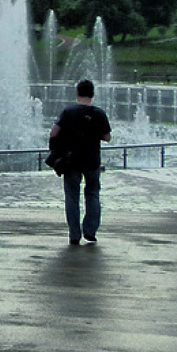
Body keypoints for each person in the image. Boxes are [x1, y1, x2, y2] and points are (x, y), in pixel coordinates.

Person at [49, 78, 112, 245]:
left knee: (72, 196)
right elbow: (107, 137)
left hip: (71, 161)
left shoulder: (68, 112)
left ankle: (74, 234)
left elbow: (54, 133)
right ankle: (90, 230)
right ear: (92, 94)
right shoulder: (99, 113)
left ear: (77, 93)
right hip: (92, 160)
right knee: (92, 194)